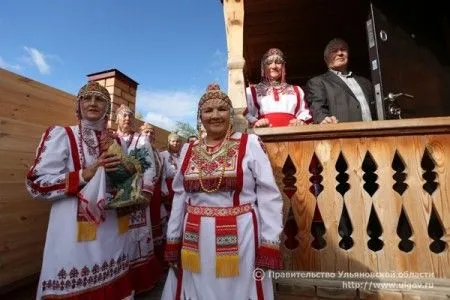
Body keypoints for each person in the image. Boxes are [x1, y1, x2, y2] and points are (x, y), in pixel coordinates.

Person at [161, 83, 283, 300]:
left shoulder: (250, 143)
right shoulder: (189, 149)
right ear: (200, 116)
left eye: (221, 109)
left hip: (242, 238)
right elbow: (180, 196)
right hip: (194, 239)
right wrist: (173, 239)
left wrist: (269, 241)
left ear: (230, 113)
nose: (215, 115)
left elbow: (269, 194)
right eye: (208, 110)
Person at [26, 82, 135, 299]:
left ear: (107, 107)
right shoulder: (62, 135)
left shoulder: (118, 143)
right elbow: (36, 185)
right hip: (73, 233)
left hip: (111, 228)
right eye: (87, 98)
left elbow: (124, 183)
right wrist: (85, 174)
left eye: (100, 99)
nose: (93, 103)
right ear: (79, 105)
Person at [115, 105, 164, 293]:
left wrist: (146, 192)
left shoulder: (141, 140)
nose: (127, 118)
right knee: (118, 236)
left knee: (138, 237)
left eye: (130, 116)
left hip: (137, 195)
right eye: (123, 116)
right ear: (117, 119)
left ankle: (141, 281)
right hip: (116, 197)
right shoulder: (111, 138)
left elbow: (151, 167)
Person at [305, 38, 376, 124]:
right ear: (326, 58)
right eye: (334, 51)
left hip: (373, 133)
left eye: (343, 49)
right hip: (344, 134)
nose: (340, 53)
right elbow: (317, 108)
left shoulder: (365, 82)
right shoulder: (318, 82)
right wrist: (323, 119)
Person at [244, 48, 312, 127]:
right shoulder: (251, 91)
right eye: (269, 63)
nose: (273, 66)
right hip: (262, 134)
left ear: (283, 66)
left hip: (292, 134)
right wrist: (256, 122)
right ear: (263, 67)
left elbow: (304, 113)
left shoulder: (297, 90)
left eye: (278, 62)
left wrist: (300, 121)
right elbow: (245, 114)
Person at [140, 122, 166, 263]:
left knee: (155, 220)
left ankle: (155, 256)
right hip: (140, 190)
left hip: (155, 192)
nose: (149, 135)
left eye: (151, 132)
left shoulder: (158, 153)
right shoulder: (136, 147)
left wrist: (162, 191)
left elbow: (162, 174)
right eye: (146, 132)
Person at [159, 132, 182, 214]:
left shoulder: (182, 156)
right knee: (169, 211)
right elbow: (162, 174)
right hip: (168, 187)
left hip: (181, 187)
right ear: (168, 142)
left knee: (179, 211)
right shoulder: (163, 155)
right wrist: (164, 189)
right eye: (173, 141)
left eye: (177, 141)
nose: (175, 143)